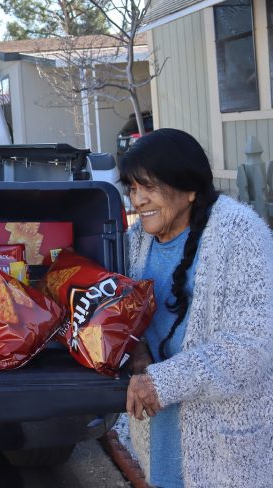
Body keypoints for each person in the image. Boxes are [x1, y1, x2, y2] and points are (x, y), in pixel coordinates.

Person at [120, 128, 273, 488]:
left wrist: (164, 380)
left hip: (225, 441)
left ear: (189, 189)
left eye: (149, 187)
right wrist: (134, 347)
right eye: (132, 187)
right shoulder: (135, 240)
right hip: (160, 429)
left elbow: (252, 344)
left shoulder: (239, 234)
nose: (138, 200)